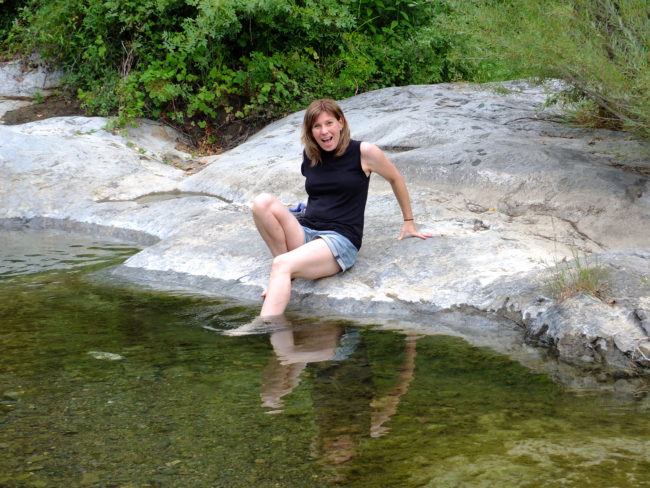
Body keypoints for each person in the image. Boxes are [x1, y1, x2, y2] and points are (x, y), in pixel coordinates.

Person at [252, 98, 431, 318]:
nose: (324, 131)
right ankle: (285, 276)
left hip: (339, 239)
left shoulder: (364, 152)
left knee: (281, 264)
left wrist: (408, 221)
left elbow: (396, 179)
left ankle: (264, 327)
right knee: (261, 202)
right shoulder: (310, 154)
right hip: (307, 231)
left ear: (341, 123)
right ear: (310, 131)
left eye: (329, 123)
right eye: (316, 126)